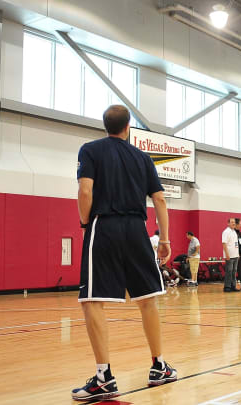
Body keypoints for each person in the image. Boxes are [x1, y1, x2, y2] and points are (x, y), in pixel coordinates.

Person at [72, 105, 176, 401]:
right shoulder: (143, 158)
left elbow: (85, 192)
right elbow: (159, 200)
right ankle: (159, 367)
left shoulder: (90, 150)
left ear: (105, 125)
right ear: (128, 126)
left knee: (92, 300)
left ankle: (104, 378)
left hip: (104, 225)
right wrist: (165, 239)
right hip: (137, 230)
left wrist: (84, 224)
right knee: (147, 299)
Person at [222, 218, 240, 292]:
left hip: (235, 255)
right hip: (229, 255)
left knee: (234, 271)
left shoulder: (234, 232)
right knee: (229, 271)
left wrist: (237, 253)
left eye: (234, 222)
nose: (233, 223)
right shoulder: (226, 232)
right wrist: (227, 254)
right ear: (228, 223)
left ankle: (233, 286)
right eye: (232, 222)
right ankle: (227, 287)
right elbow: (224, 243)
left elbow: (236, 244)